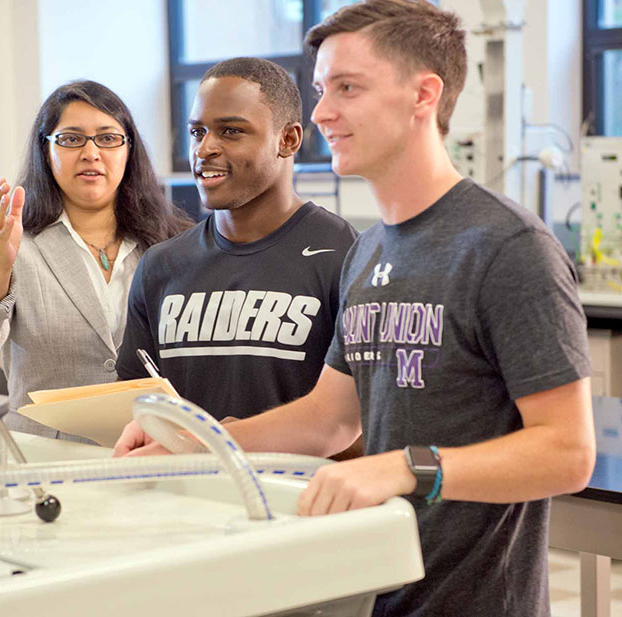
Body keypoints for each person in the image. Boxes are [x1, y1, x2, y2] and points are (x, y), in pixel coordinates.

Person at [116, 2, 596, 615]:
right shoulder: (369, 250)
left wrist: (404, 468)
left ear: (424, 95)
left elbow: (568, 453)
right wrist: (198, 442)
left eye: (347, 87)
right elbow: (328, 420)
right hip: (380, 587)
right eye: (320, 90)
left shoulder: (506, 248)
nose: (321, 113)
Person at [115, 57, 358, 426]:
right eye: (197, 132)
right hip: (183, 484)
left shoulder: (344, 255)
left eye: (231, 131)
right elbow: (131, 408)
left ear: (288, 139)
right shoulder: (162, 265)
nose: (204, 149)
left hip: (297, 484)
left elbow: (368, 425)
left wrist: (245, 440)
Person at [0, 80, 192, 438]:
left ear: (129, 150)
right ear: (45, 150)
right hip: (44, 461)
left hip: (152, 452)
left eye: (108, 138)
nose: (91, 153)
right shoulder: (17, 246)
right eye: (71, 139)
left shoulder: (175, 244)